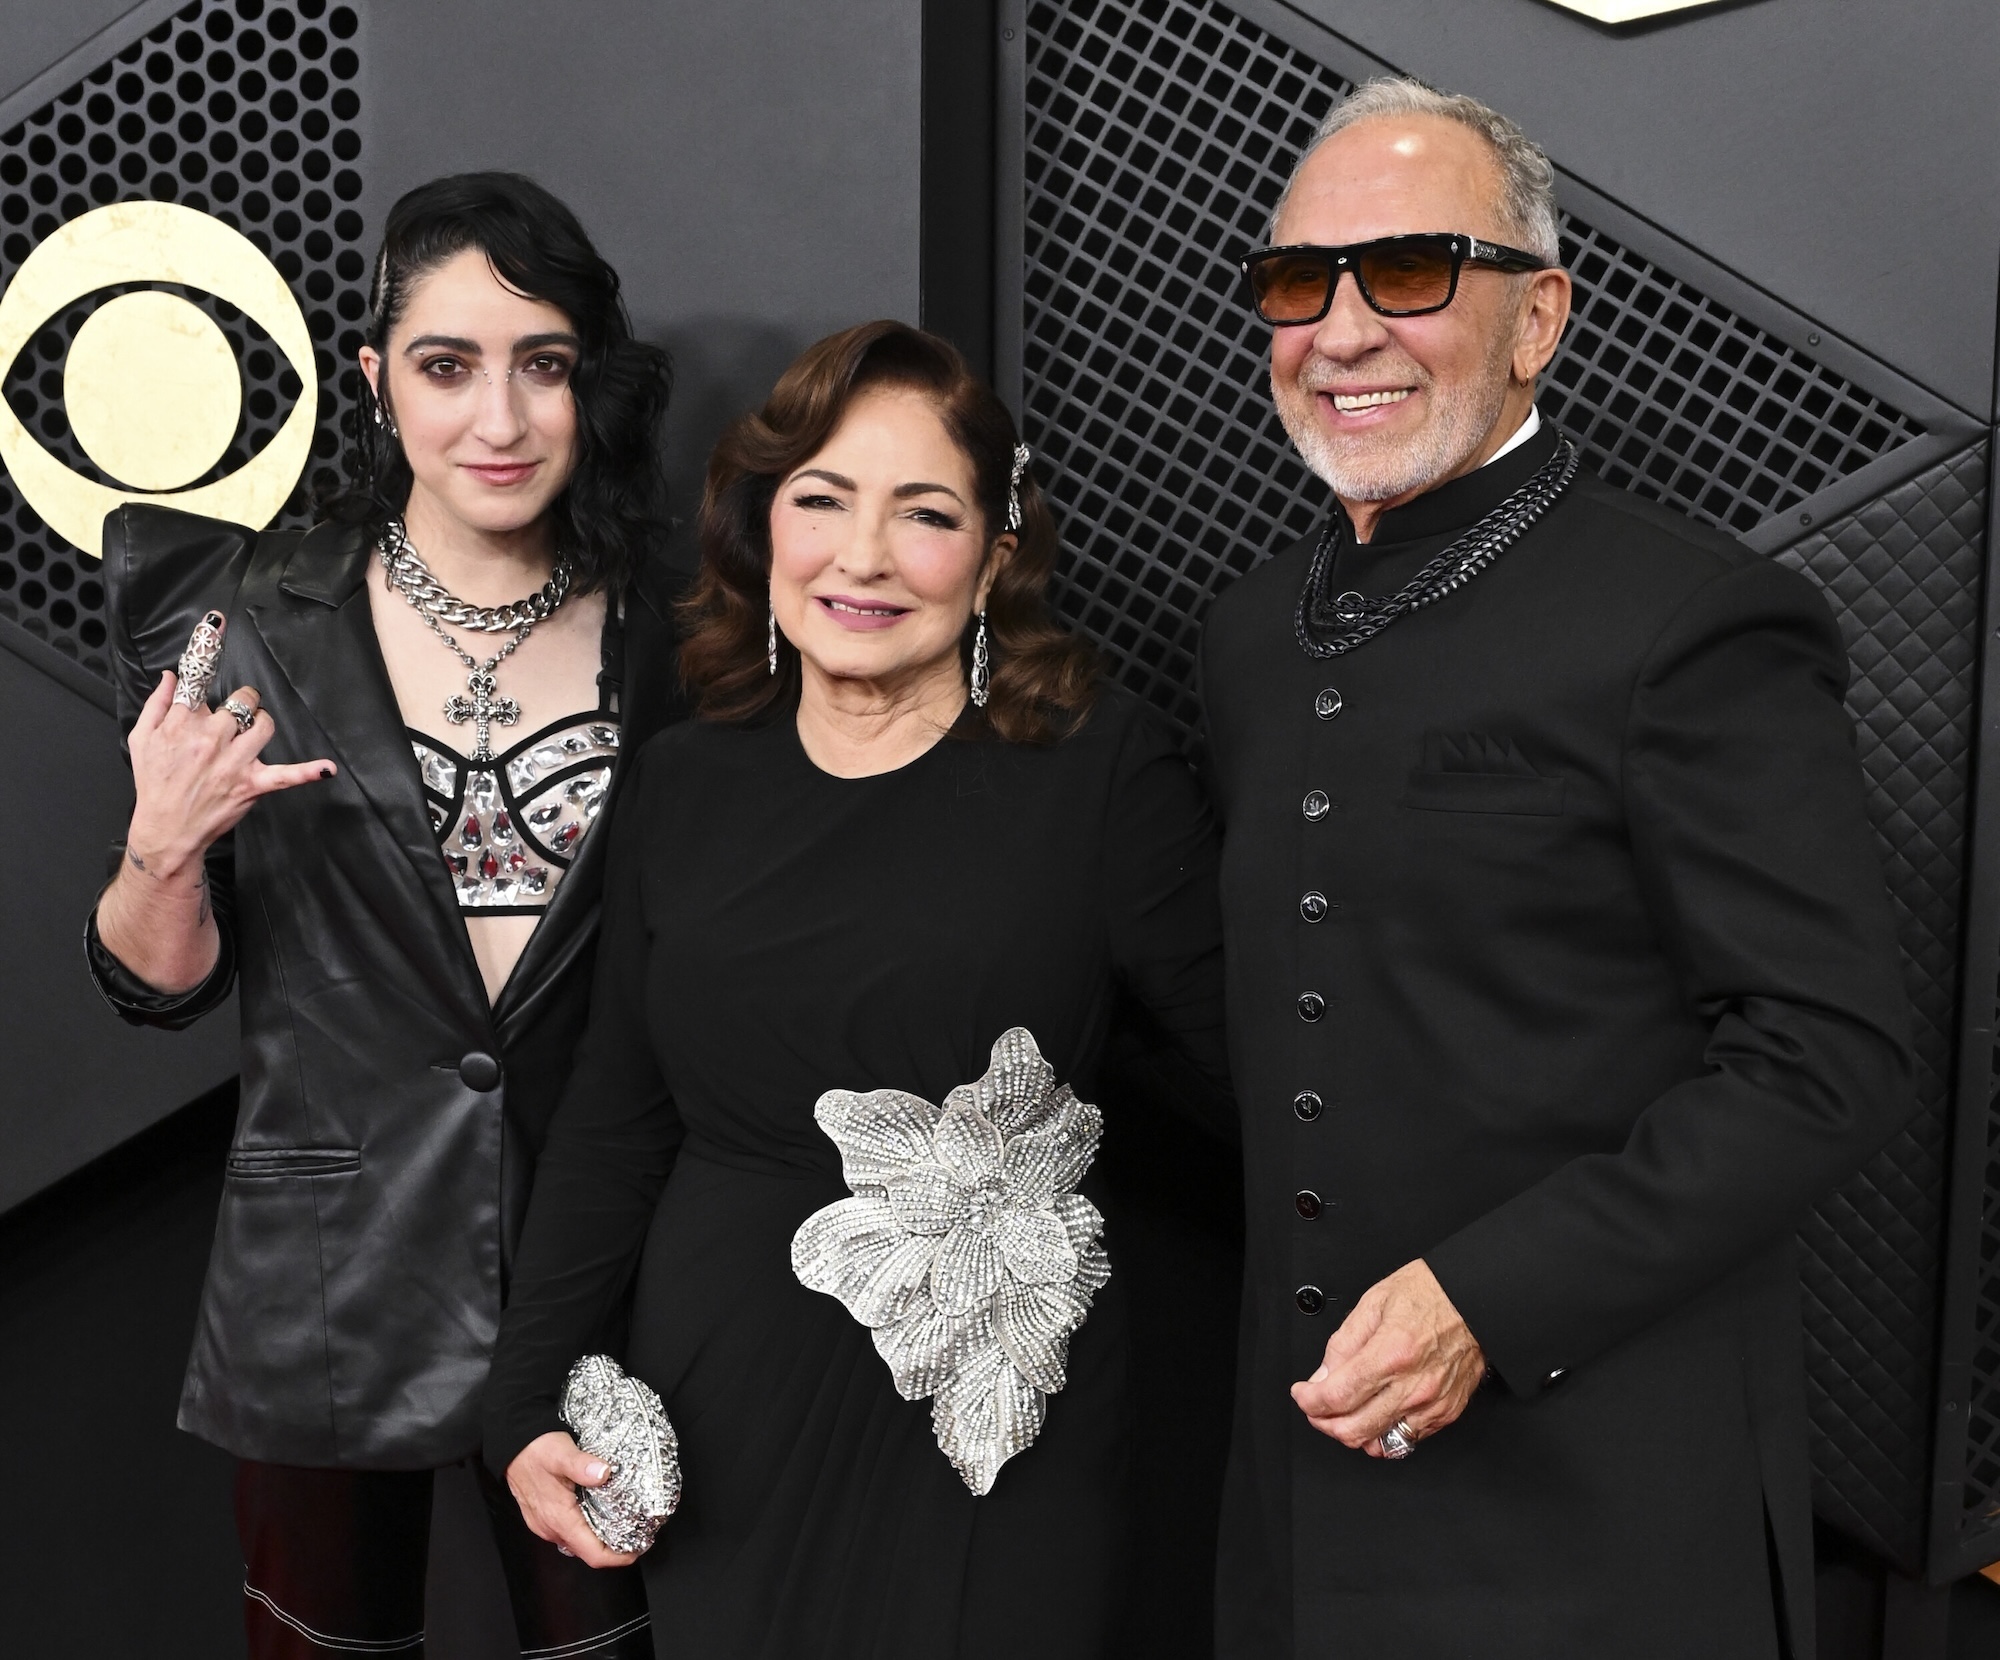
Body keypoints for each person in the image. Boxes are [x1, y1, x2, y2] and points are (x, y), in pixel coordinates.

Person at [1201, 79, 1913, 1659]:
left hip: (1598, 1515)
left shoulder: (1694, 620)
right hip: (1301, 1528)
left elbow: (1828, 1057)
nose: (1340, 328)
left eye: (1407, 273)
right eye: (1297, 282)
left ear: (1540, 320)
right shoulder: (1249, 634)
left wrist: (1486, 1301)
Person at [482, 320, 1232, 1657]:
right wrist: (527, 1399)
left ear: (999, 549)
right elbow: (614, 1117)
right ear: (762, 523)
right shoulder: (685, 783)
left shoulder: (1098, 769)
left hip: (1004, 1415)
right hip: (724, 1405)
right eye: (821, 500)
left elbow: (1266, 1060)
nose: (864, 556)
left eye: (925, 513)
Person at [86, 173, 684, 1659]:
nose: (499, 419)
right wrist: (161, 853)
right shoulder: (241, 619)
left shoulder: (686, 627)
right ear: (375, 382)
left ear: (586, 386)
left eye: (542, 365)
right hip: (328, 1273)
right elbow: (156, 987)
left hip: (610, 1255)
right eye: (446, 365)